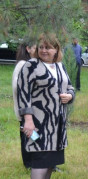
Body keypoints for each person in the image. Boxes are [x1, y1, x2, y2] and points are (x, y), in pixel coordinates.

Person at [17, 32, 75, 179]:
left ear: (56, 50)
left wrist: (70, 95)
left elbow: (70, 86)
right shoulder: (31, 66)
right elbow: (23, 93)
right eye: (41, 47)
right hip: (38, 122)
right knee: (40, 161)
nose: (43, 50)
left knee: (51, 161)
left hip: (57, 124)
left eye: (48, 47)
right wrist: (28, 120)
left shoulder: (59, 66)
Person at [12, 39, 36, 169]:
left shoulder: (30, 64)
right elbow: (17, 87)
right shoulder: (22, 64)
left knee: (33, 136)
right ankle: (28, 164)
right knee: (27, 135)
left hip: (30, 108)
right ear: (28, 48)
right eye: (36, 47)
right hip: (24, 109)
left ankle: (35, 162)